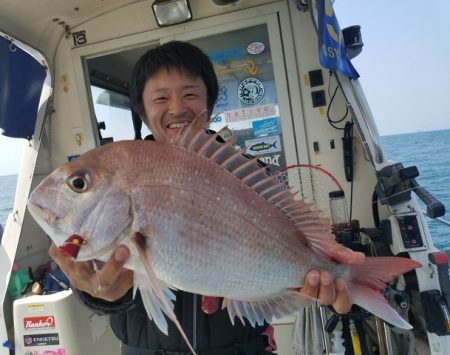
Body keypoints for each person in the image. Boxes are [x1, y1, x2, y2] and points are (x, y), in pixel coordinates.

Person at [49, 41, 364, 354]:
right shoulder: (121, 180)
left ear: (209, 104)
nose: (176, 108)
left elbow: (292, 244)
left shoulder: (248, 175)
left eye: (189, 94)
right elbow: (97, 280)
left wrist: (321, 269)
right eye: (160, 98)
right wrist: (99, 293)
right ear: (142, 110)